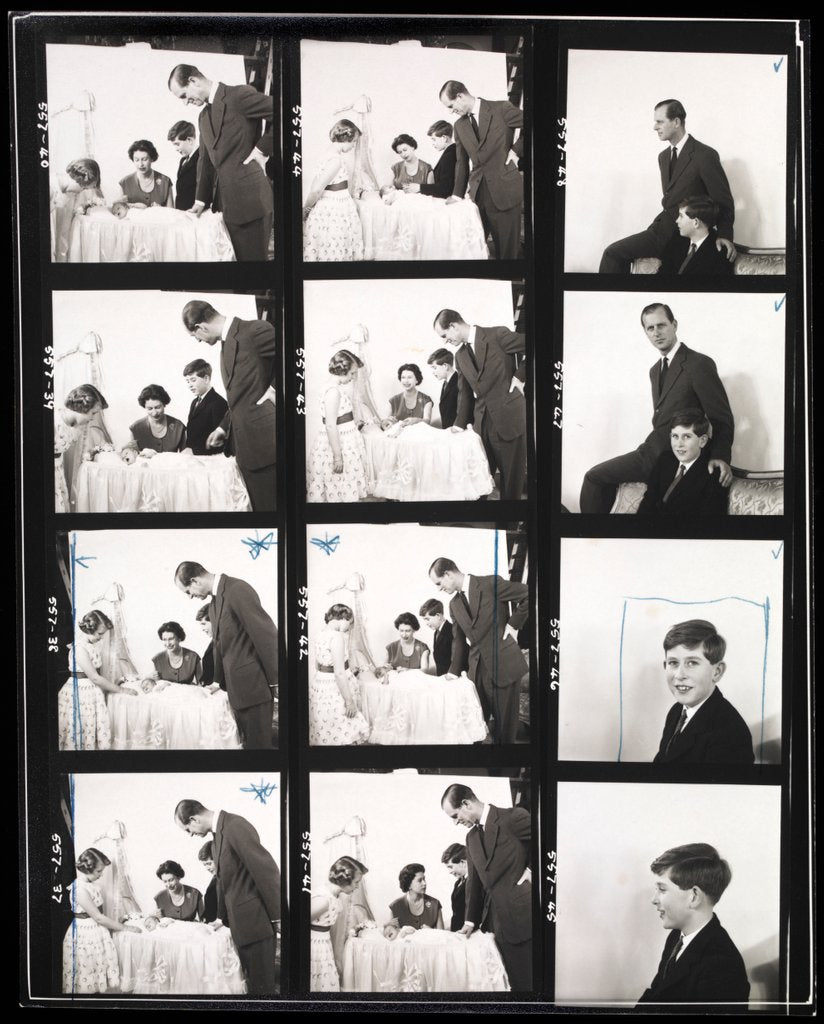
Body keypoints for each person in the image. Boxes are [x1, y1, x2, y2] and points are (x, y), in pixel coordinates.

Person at [579, 303, 735, 514]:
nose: (656, 333)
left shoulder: (698, 364)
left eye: (661, 325)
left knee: (593, 477)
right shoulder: (655, 371)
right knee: (596, 477)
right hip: (652, 452)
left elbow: (721, 417)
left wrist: (720, 456)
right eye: (650, 328)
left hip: (675, 455)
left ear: (674, 325)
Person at [599, 100, 735, 274]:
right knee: (613, 253)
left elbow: (723, 199)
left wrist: (724, 235)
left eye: (660, 121)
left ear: (676, 122)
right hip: (661, 230)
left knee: (612, 254)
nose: (655, 127)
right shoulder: (663, 157)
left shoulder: (705, 155)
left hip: (683, 236)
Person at [168, 64, 274, 261]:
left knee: (254, 275)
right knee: (237, 276)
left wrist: (261, 150)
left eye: (183, 96)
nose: (185, 103)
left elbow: (285, 110)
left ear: (193, 81)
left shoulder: (238, 95)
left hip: (252, 202)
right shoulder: (202, 117)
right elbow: (205, 161)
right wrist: (200, 200)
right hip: (224, 207)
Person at [174, 800, 281, 995]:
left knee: (263, 989)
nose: (190, 834)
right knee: (253, 987)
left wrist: (278, 916)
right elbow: (224, 882)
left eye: (187, 829)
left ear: (193, 819)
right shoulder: (217, 837)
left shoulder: (235, 825)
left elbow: (266, 870)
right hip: (242, 926)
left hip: (256, 924)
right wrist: (222, 918)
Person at [181, 300, 277, 512]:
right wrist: (223, 427)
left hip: (266, 445)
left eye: (194, 336)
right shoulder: (226, 344)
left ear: (201, 327)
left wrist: (274, 389)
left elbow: (296, 350)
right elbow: (240, 398)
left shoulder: (254, 330)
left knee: (272, 513)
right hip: (246, 448)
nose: (197, 340)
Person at [174, 562, 277, 749]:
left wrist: (276, 681)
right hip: (237, 691)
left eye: (188, 591)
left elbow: (266, 635)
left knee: (259, 751)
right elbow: (220, 645)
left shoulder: (237, 589)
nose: (190, 597)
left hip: (255, 689)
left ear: (194, 581)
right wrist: (217, 681)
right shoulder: (213, 602)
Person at [440, 784, 532, 990]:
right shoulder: (471, 838)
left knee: (529, 984)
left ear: (466, 804)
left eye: (455, 816)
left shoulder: (513, 818)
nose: (455, 823)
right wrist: (470, 921)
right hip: (495, 926)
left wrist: (532, 871)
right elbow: (474, 882)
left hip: (524, 918)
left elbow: (549, 839)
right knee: (509, 985)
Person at [429, 558, 528, 744]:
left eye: (439, 583)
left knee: (504, 733)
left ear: (448, 574)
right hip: (477, 671)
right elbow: (458, 641)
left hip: (504, 666)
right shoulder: (454, 605)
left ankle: (504, 770)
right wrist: (452, 672)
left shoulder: (490, 584)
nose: (439, 588)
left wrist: (514, 624)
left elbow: (529, 594)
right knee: (474, 725)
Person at [638, 843, 750, 1005]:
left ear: (694, 896)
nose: (654, 900)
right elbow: (657, 995)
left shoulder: (721, 967)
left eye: (662, 890)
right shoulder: (677, 937)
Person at [433, 308, 527, 500]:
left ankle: (508, 524)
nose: (445, 341)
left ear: (453, 326)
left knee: (511, 482)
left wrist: (520, 376)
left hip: (509, 418)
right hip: (481, 423)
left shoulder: (498, 335)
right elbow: (465, 394)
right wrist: (458, 426)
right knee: (480, 479)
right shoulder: (460, 356)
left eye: (444, 335)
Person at [440, 80, 523, 260]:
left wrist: (516, 151)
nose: (450, 111)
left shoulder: (502, 108)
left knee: (507, 256)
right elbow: (461, 162)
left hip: (505, 192)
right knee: (476, 252)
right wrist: (456, 194)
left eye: (451, 105)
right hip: (478, 197)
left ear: (460, 96)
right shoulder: (459, 126)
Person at [653, 620, 754, 764]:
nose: (679, 675)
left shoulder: (729, 734)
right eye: (673, 663)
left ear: (717, 672)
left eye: (692, 663)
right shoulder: (676, 711)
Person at [62, 847, 140, 994]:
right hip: (84, 934)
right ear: (87, 868)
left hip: (96, 931)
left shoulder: (91, 885)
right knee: (86, 976)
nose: (101, 875)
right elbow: (98, 917)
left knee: (97, 973)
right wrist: (125, 928)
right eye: (99, 871)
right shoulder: (79, 889)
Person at [58, 609, 135, 751]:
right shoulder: (79, 648)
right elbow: (94, 677)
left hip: (91, 691)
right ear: (89, 628)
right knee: (79, 731)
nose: (101, 637)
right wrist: (122, 690)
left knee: (90, 730)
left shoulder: (90, 645)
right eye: (100, 634)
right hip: (80, 693)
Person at [638, 409, 729, 516]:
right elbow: (648, 502)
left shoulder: (712, 474)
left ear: (702, 441)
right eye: (675, 436)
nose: (679, 444)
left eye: (687, 437)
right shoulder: (665, 459)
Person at [306, 349, 369, 503]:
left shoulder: (337, 388)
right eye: (352, 373)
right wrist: (338, 457)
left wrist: (353, 423)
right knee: (339, 482)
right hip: (338, 445)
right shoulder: (333, 391)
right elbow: (330, 425)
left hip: (346, 438)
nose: (354, 377)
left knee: (344, 485)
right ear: (342, 369)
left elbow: (340, 417)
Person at [303, 119, 365, 262]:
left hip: (339, 203)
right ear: (345, 138)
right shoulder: (335, 160)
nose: (354, 145)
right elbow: (316, 189)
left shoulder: (328, 155)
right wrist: (306, 207)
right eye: (354, 141)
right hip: (334, 207)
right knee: (334, 247)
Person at [309, 604, 370, 746]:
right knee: (346, 726)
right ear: (344, 618)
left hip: (320, 684)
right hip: (336, 688)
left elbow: (317, 665)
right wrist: (349, 701)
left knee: (328, 729)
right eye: (349, 623)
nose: (349, 628)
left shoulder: (320, 633)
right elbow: (339, 673)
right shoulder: (337, 636)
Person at [311, 856, 368, 992]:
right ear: (345, 879)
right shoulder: (323, 900)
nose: (357, 886)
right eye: (356, 882)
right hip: (314, 945)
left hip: (323, 943)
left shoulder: (334, 895)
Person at [58, 384, 113, 509]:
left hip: (58, 474)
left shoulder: (75, 428)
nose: (93, 418)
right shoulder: (55, 422)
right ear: (82, 408)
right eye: (93, 413)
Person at [660, 195, 737, 277]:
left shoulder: (719, 253)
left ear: (696, 222)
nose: (677, 220)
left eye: (681, 216)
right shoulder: (677, 239)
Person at [123, 384, 187, 456]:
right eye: (149, 409)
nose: (154, 413)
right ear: (144, 407)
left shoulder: (178, 426)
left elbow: (185, 457)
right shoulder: (136, 428)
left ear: (164, 404)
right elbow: (129, 456)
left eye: (157, 407)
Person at [183, 358, 229, 456]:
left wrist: (194, 451)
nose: (190, 385)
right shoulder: (194, 402)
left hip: (210, 460)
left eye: (193, 380)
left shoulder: (218, 403)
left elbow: (221, 443)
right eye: (187, 381)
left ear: (206, 379)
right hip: (194, 459)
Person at [404, 121, 457, 199]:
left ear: (444, 138)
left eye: (434, 139)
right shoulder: (451, 152)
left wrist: (419, 188)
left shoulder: (449, 155)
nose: (433, 143)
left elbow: (445, 189)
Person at [118, 139, 174, 209]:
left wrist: (161, 210)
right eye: (137, 160)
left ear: (152, 159)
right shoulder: (125, 182)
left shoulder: (165, 181)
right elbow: (120, 212)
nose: (140, 164)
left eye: (144, 159)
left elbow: (171, 213)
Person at [388, 864, 444, 932]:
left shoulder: (435, 904)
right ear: (409, 885)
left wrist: (430, 932)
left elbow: (443, 937)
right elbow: (391, 938)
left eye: (424, 879)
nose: (424, 883)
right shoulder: (395, 906)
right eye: (420, 880)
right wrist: (388, 927)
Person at [419, 598, 466, 677]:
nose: (426, 623)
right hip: (443, 678)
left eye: (427, 619)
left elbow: (460, 658)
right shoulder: (437, 633)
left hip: (454, 679)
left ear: (438, 616)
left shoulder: (452, 631)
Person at [382, 363, 433, 430]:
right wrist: (389, 421)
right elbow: (385, 424)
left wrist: (417, 421)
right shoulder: (393, 401)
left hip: (419, 436)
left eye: (409, 377)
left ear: (417, 380)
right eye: (403, 377)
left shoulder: (426, 400)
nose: (406, 381)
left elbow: (427, 421)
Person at [151, 621, 203, 685]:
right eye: (164, 639)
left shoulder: (194, 657)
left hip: (188, 693)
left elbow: (201, 684)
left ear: (179, 638)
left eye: (171, 639)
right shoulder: (157, 659)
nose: (167, 643)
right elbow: (156, 685)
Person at [426, 348, 466, 429]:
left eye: (434, 368)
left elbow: (464, 411)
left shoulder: (459, 382)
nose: (433, 372)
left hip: (458, 432)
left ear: (445, 366)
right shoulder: (446, 383)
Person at [167, 120, 200, 212]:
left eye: (177, 144)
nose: (176, 149)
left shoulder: (202, 158)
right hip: (184, 213)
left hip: (196, 213)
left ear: (189, 140)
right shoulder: (183, 161)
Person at [441, 843, 468, 932]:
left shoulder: (474, 883)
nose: (449, 871)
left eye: (450, 867)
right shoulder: (458, 883)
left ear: (463, 862)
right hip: (457, 932)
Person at [195, 603, 219, 690]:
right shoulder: (214, 641)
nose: (202, 629)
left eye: (204, 623)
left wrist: (218, 685)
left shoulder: (222, 642)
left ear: (214, 621)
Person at [198, 841, 220, 924]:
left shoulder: (223, 880)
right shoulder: (215, 878)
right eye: (205, 865)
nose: (207, 868)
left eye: (209, 863)